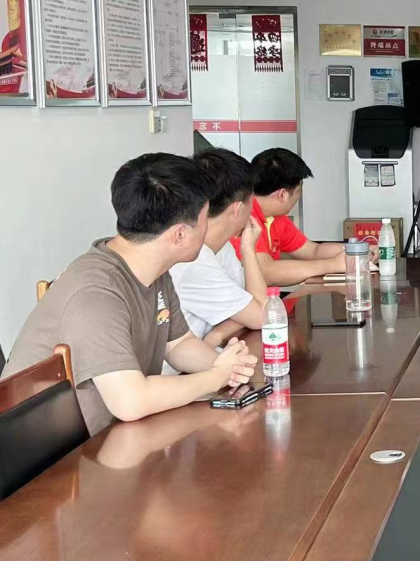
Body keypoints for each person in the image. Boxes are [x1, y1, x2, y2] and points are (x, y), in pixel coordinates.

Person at [1, 154, 256, 435]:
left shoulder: (154, 270)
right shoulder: (96, 292)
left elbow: (178, 345)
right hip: (47, 452)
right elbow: (130, 401)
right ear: (180, 234)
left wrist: (228, 366)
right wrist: (214, 377)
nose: (208, 228)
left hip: (109, 435)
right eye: (205, 218)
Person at [170, 148, 267, 345]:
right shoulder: (193, 260)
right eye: (251, 202)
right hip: (185, 363)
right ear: (238, 208)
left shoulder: (221, 247)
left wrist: (217, 335)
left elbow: (248, 306)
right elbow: (263, 316)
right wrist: (248, 249)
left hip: (208, 352)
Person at [232, 148, 345, 286]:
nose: (299, 197)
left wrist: (358, 252)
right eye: (298, 190)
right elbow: (266, 272)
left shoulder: (276, 218)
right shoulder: (242, 218)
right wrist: (332, 265)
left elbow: (314, 251)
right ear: (283, 195)